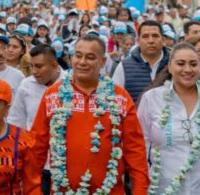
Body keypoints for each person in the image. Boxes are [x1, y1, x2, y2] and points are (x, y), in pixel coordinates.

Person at [31, 34, 149, 194]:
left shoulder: (120, 98)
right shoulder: (53, 95)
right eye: (78, 56)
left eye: (90, 57)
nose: (82, 62)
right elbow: (37, 148)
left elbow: (135, 152)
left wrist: (140, 191)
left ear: (103, 62)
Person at [137, 42, 200, 194]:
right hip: (165, 188)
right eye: (180, 63)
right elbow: (140, 146)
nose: (187, 69)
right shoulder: (151, 99)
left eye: (193, 64)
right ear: (169, 67)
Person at [8, 44, 65, 195]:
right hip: (34, 164)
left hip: (65, 166)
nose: (34, 71)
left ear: (54, 65)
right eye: (32, 66)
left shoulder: (71, 84)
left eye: (39, 66)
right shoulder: (26, 86)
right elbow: (16, 123)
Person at [112, 20, 170, 104]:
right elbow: (114, 99)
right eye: (145, 36)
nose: (150, 40)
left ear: (163, 40)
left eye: (155, 36)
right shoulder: (124, 66)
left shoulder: (174, 63)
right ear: (138, 41)